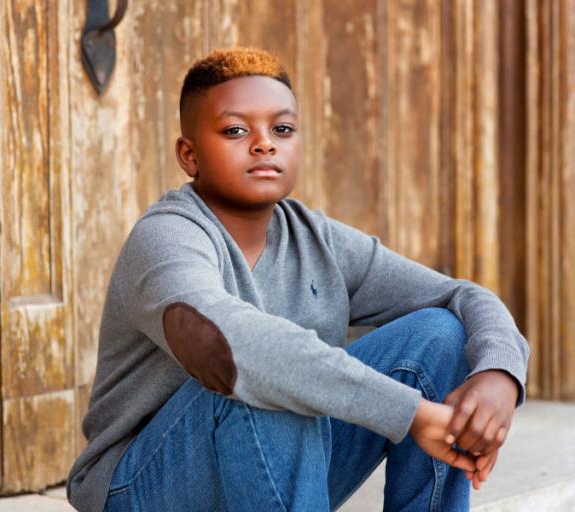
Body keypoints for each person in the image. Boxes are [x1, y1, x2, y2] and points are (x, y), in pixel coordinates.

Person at [66, 47, 529, 512]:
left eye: (281, 129)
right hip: (141, 484)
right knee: (269, 378)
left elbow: (460, 296)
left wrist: (500, 373)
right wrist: (410, 414)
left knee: (438, 335)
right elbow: (233, 350)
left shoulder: (316, 238)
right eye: (235, 130)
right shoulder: (166, 237)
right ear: (189, 155)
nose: (264, 143)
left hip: (277, 459)